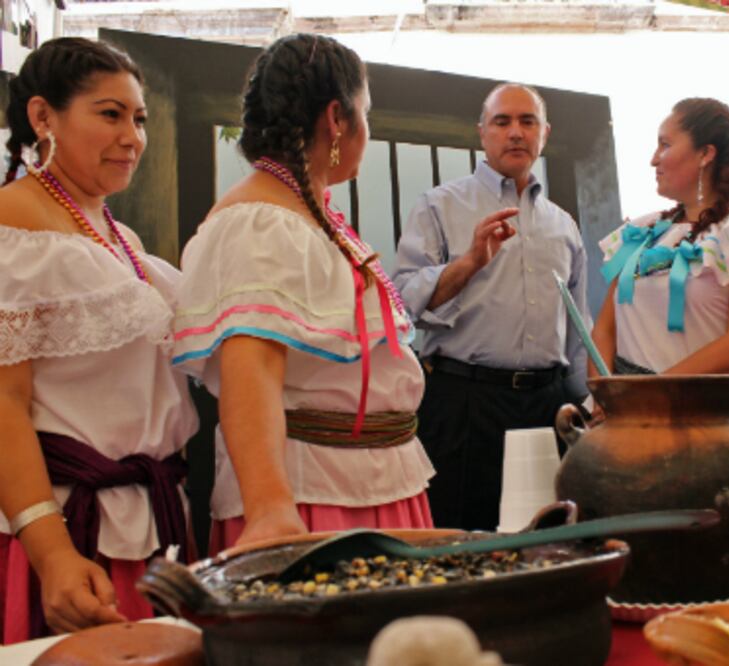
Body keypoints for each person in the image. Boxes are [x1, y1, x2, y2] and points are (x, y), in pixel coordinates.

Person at [172, 34, 434, 550]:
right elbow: (251, 368)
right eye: (365, 112)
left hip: (374, 481)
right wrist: (270, 509)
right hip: (312, 495)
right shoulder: (259, 222)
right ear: (337, 118)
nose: (368, 129)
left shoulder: (307, 213)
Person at [0, 37, 198, 641]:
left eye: (139, 119)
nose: (132, 137)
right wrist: (53, 553)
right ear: (43, 117)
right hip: (67, 529)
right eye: (110, 114)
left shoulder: (116, 233)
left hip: (147, 519)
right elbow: (4, 404)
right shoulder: (13, 224)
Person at [393, 83, 590, 531]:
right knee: (461, 538)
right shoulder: (439, 205)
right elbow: (402, 301)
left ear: (545, 133)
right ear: (482, 133)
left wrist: (590, 404)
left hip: (548, 405)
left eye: (527, 121)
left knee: (549, 537)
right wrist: (469, 263)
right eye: (502, 122)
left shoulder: (563, 225)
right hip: (465, 402)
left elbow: (577, 329)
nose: (515, 132)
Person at [592, 98, 729, 428]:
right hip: (629, 422)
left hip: (714, 425)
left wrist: (647, 398)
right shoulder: (641, 232)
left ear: (706, 153)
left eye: (665, 145)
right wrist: (604, 397)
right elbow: (605, 329)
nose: (654, 159)